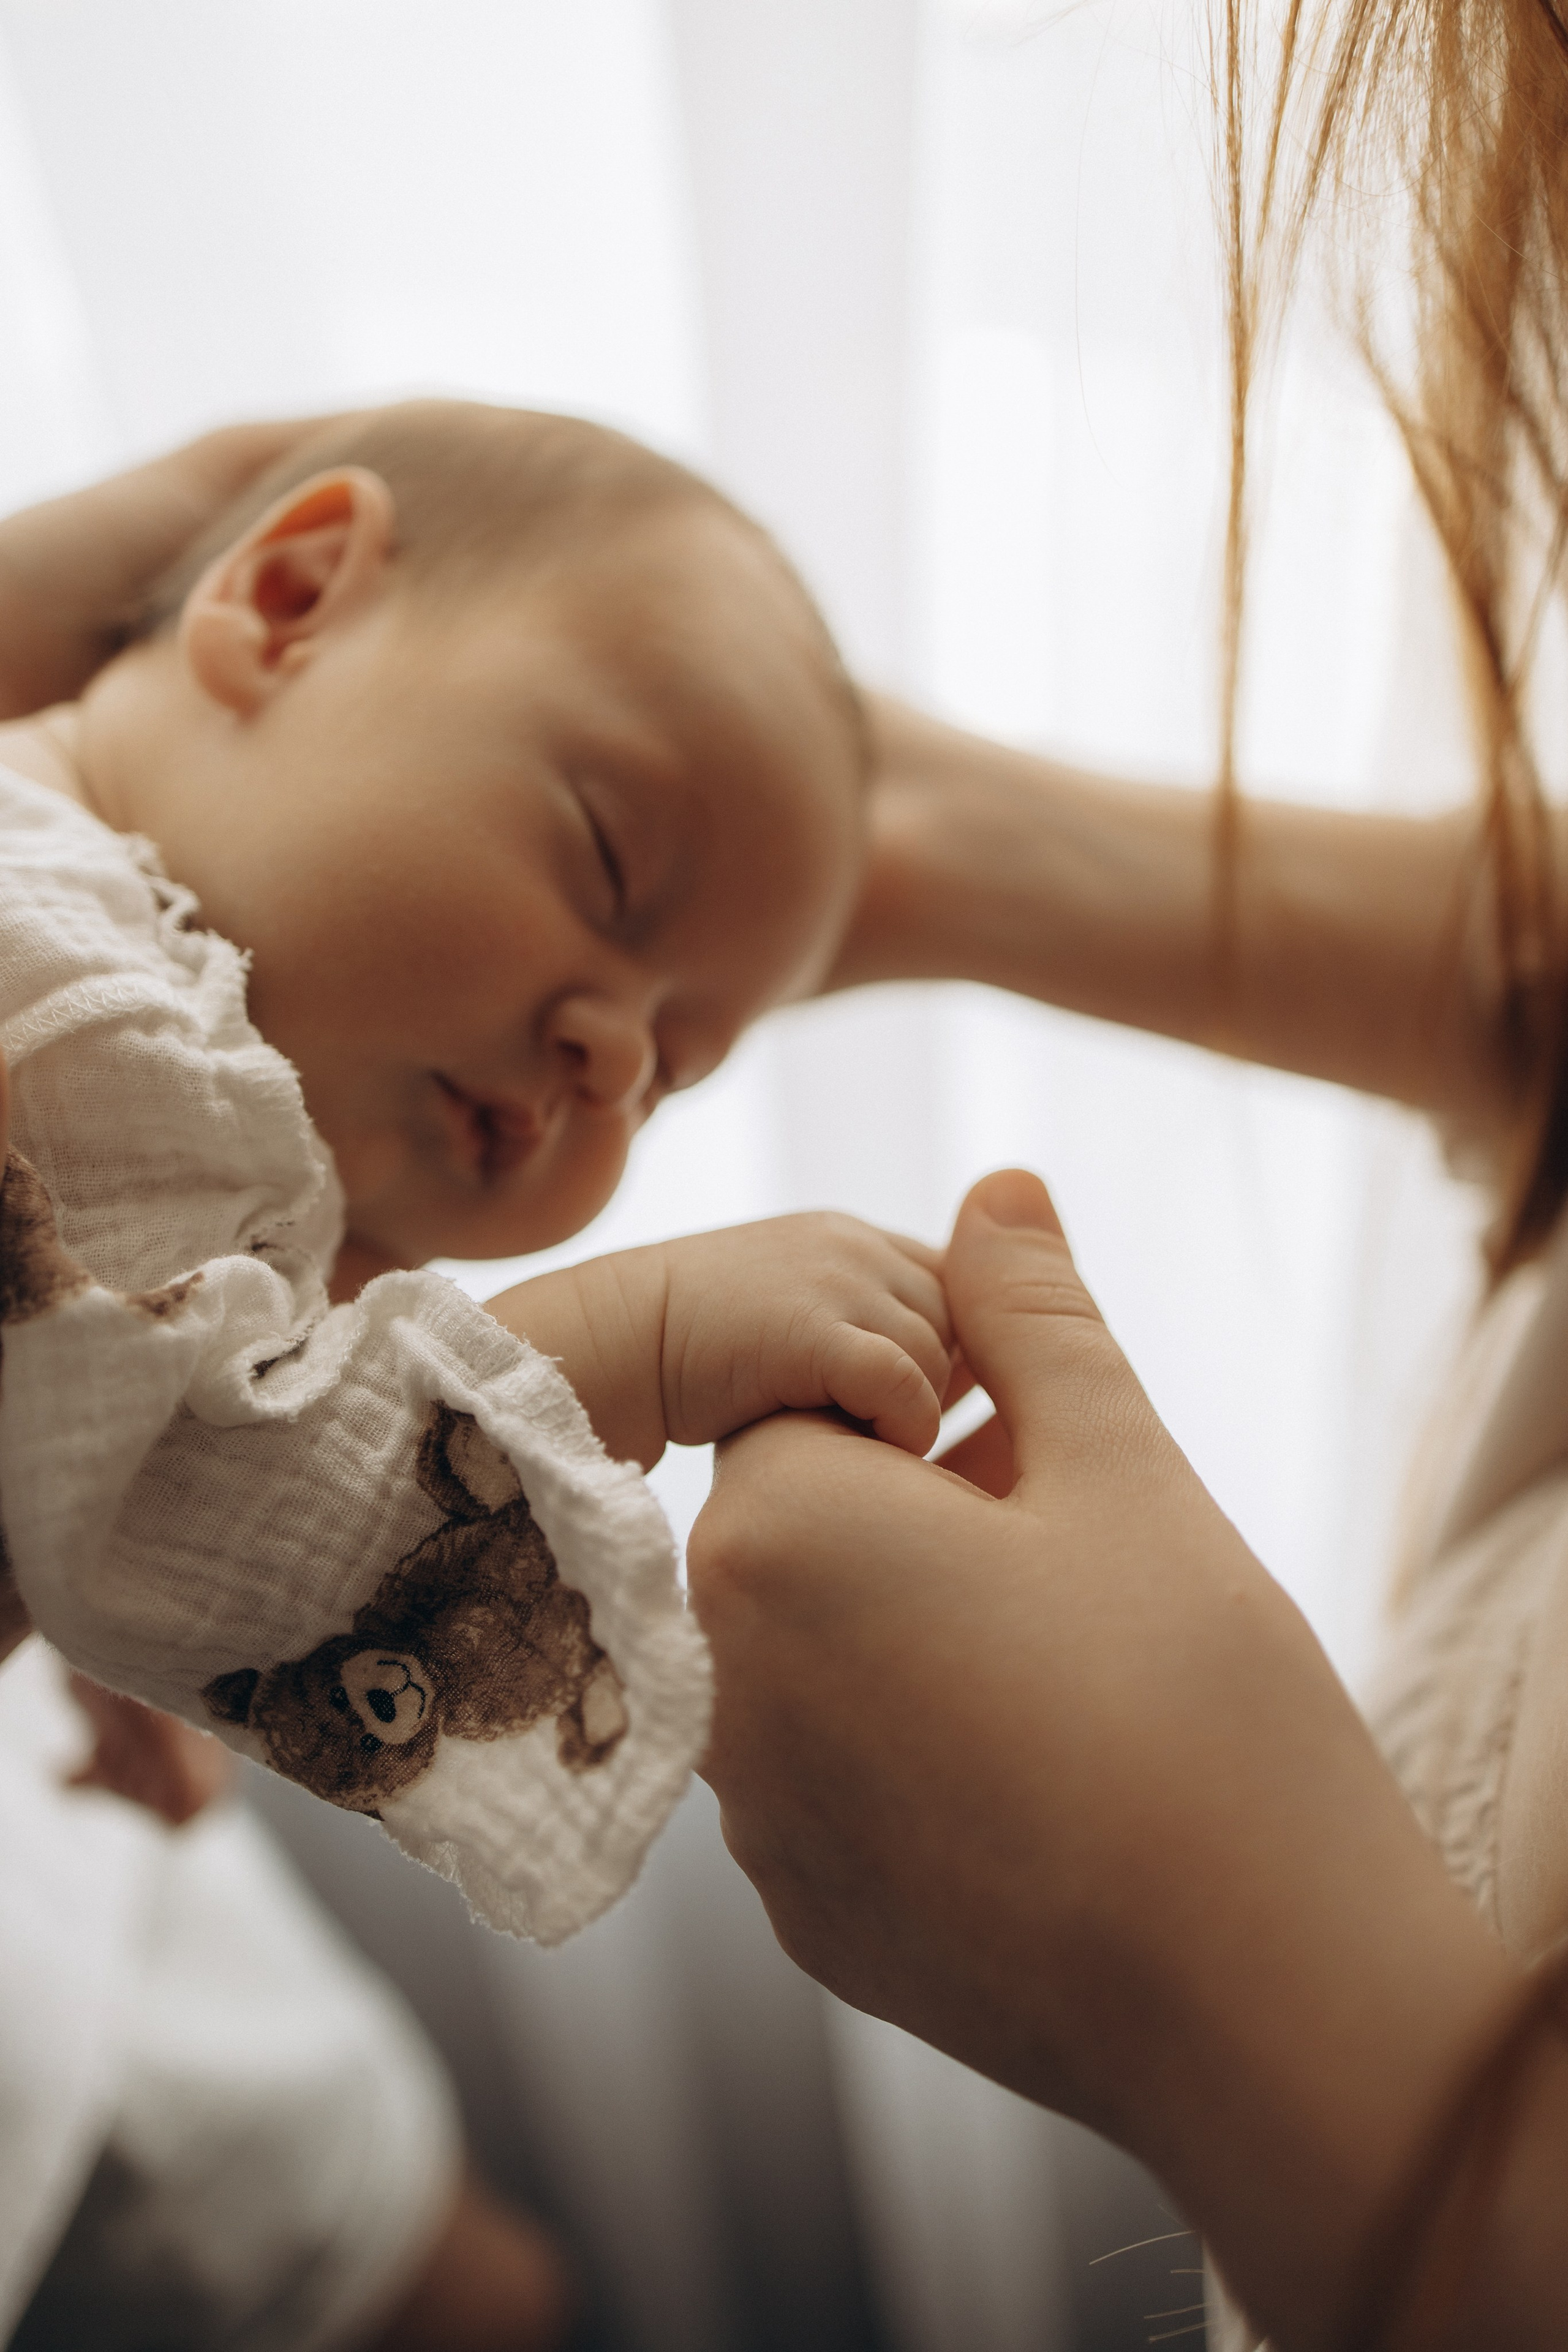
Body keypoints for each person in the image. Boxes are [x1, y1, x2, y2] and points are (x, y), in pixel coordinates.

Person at [0, 396, 952, 1945]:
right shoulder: (75, 974)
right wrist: (636, 1344)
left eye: (676, 1067)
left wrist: (79, 1598)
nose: (616, 1062)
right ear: (291, 603)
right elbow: (220, 1477)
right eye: (607, 861)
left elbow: (91, 1404)